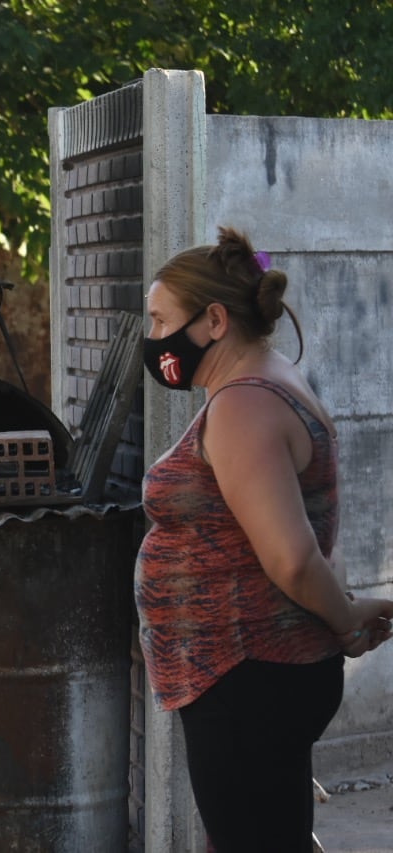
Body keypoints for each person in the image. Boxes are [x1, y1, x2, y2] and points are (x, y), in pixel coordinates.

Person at [135, 226, 393, 851]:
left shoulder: (245, 406)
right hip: (251, 675)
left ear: (214, 320)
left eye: (160, 319)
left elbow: (293, 557)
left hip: (248, 677)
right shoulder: (263, 383)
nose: (153, 337)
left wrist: (348, 618)